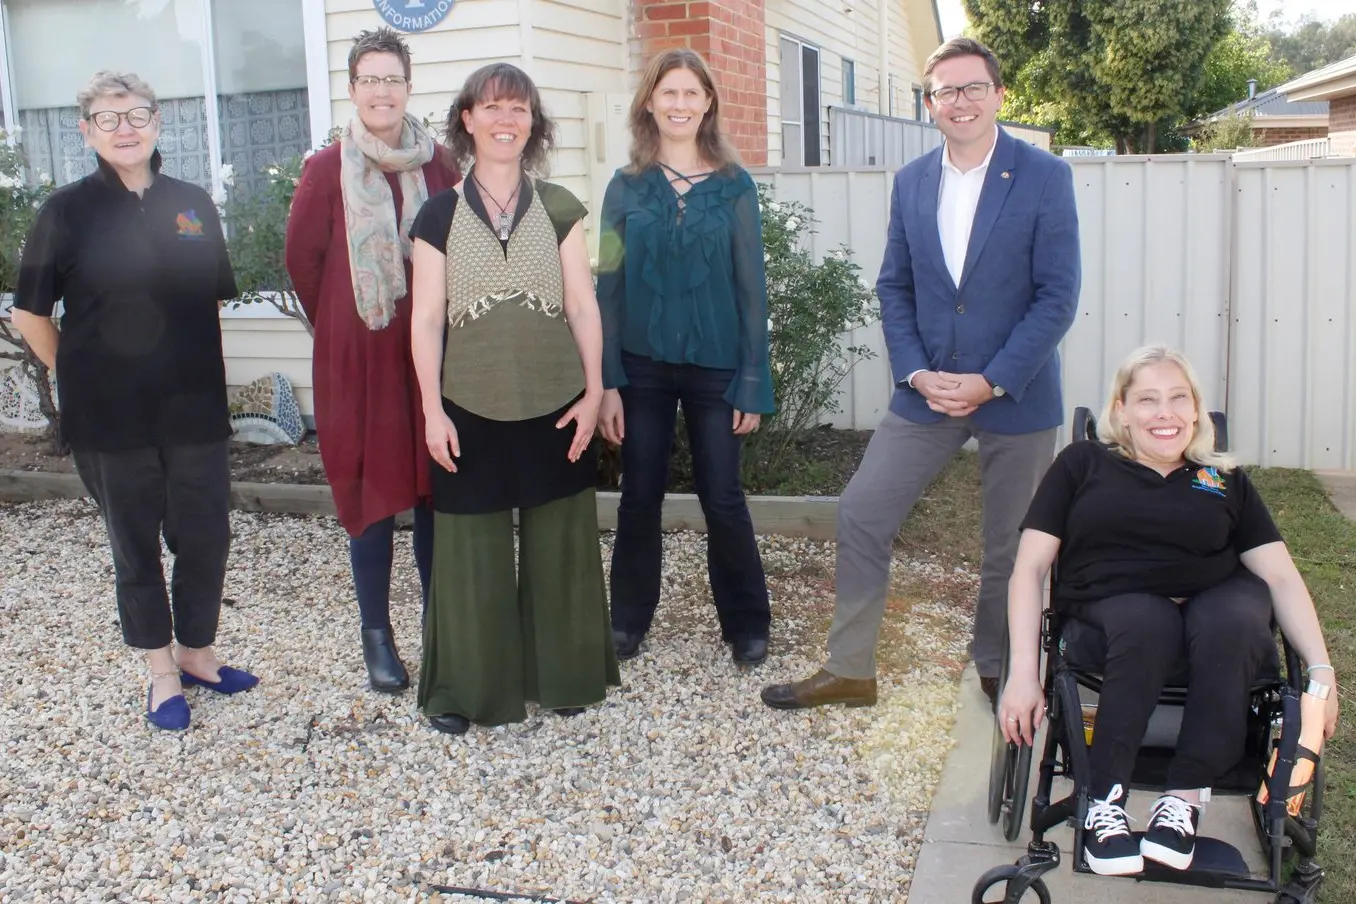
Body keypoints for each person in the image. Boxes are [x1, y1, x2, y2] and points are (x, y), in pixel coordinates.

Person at [761, 37, 1080, 711]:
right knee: (863, 511)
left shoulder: (1044, 176)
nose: (958, 102)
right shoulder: (911, 183)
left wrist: (992, 380)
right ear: (928, 104)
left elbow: (1057, 296)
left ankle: (998, 668)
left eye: (971, 88)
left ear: (998, 95)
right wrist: (914, 372)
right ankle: (851, 668)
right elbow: (894, 288)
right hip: (928, 392)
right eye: (944, 92)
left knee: (1011, 543)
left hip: (1015, 395)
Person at [999, 345, 1341, 876]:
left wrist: (1320, 670)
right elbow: (1028, 570)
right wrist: (1023, 673)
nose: (1166, 413)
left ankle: (1181, 803)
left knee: (1234, 617)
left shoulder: (1223, 478)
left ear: (1198, 411)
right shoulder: (1082, 464)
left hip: (1215, 617)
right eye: (1149, 400)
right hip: (1110, 617)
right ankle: (1103, 804)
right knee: (1147, 620)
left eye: (1179, 399)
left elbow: (1279, 574)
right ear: (1122, 410)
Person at [12, 71, 257, 731]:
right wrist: (80, 373)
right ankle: (160, 674)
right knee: (136, 547)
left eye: (137, 114)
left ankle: (199, 655)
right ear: (88, 131)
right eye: (108, 118)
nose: (126, 128)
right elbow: (29, 314)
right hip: (109, 420)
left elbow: (209, 296)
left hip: (194, 412)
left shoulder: (192, 203)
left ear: (157, 121)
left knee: (206, 537)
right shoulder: (65, 212)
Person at [408, 63, 619, 735]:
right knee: (471, 554)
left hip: (557, 400)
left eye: (519, 109)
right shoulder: (437, 214)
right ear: (466, 120)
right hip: (467, 401)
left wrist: (594, 393)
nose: (506, 120)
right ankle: (467, 692)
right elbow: (426, 320)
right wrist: (431, 410)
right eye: (493, 108)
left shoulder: (559, 206)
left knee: (561, 545)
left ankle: (565, 677)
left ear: (534, 123)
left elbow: (583, 306)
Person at [285, 27, 459, 693]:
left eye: (393, 78)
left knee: (434, 490)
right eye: (369, 80)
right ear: (353, 89)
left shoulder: (439, 165)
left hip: (430, 356)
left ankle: (441, 624)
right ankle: (377, 636)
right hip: (357, 359)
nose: (381, 90)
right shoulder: (326, 168)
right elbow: (302, 262)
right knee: (373, 498)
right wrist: (343, 318)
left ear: (408, 87)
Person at [594, 49, 774, 667]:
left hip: (717, 366)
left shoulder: (733, 186)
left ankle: (747, 623)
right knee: (638, 492)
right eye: (668, 93)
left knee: (722, 494)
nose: (679, 104)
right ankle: (626, 621)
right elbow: (608, 287)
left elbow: (753, 288)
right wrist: (607, 383)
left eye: (691, 94)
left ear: (708, 104)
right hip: (640, 366)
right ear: (649, 102)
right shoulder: (626, 186)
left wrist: (753, 381)